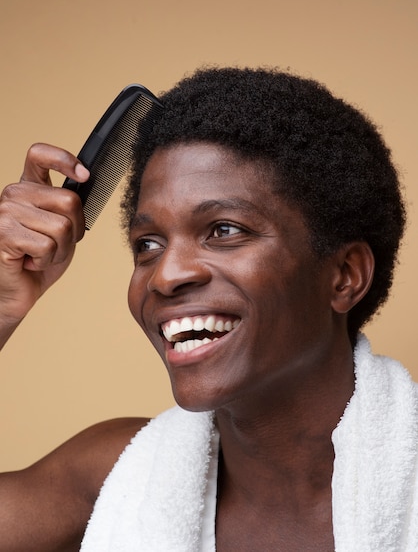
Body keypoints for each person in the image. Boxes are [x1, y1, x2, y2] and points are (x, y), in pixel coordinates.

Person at [0, 66, 415, 552]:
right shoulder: (115, 474)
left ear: (344, 276)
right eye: (148, 243)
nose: (165, 274)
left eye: (223, 230)